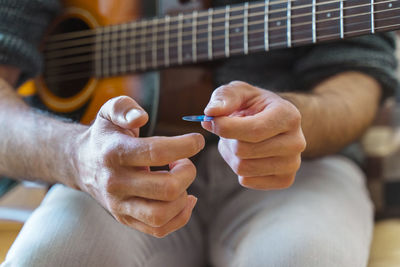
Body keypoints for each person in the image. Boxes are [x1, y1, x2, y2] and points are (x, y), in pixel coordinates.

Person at [1, 0, 399, 266]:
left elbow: (358, 74)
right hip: (112, 171)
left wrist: (294, 119)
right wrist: (76, 155)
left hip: (303, 165)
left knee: (305, 256)